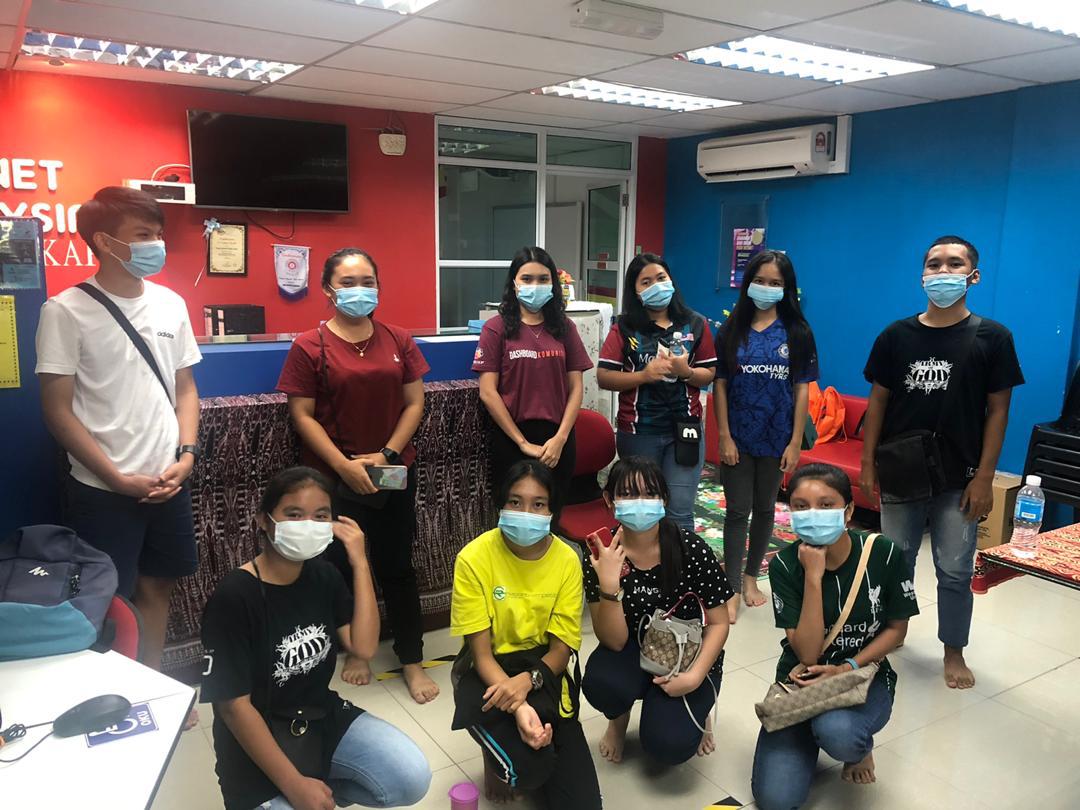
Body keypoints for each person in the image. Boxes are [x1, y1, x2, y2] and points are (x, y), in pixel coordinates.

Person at [36, 185, 201, 716]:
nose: (156, 245)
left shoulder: (171, 303)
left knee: (159, 587)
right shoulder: (65, 311)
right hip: (103, 490)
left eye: (158, 234)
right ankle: (110, 698)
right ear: (105, 242)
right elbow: (58, 410)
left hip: (169, 480)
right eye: (143, 235)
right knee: (108, 599)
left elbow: (185, 389)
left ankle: (150, 688)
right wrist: (115, 477)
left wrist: (186, 457)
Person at [200, 466, 431, 810]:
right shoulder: (234, 596)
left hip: (318, 716)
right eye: (294, 514)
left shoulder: (324, 576)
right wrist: (293, 785)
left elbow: (363, 646)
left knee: (411, 777)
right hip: (254, 742)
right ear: (264, 520)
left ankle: (319, 788)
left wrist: (360, 563)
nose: (308, 525)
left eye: (320, 516)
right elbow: (233, 708)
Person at [859, 235, 1024, 690]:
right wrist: (868, 463)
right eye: (934, 264)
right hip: (900, 470)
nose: (943, 272)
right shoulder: (894, 336)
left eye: (954, 264)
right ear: (922, 275)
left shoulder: (994, 338)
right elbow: (878, 402)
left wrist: (985, 478)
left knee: (954, 568)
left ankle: (953, 649)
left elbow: (998, 412)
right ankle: (892, 630)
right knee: (895, 561)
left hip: (961, 477)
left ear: (974, 276)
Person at [277, 248, 438, 704]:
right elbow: (302, 415)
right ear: (328, 289)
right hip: (333, 478)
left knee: (398, 567)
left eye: (368, 281)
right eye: (348, 282)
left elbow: (415, 403)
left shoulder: (399, 339)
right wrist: (344, 466)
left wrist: (387, 455)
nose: (359, 290)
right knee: (341, 568)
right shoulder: (308, 345)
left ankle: (411, 659)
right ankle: (357, 652)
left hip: (392, 472)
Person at [751, 463, 919, 810]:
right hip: (801, 683)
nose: (813, 514)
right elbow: (808, 655)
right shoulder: (784, 565)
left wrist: (847, 667)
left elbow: (896, 629)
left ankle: (858, 750)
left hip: (862, 678)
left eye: (826, 504)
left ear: (849, 510)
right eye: (801, 506)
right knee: (775, 800)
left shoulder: (882, 552)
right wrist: (813, 578)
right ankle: (810, 734)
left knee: (839, 732)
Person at [450, 459, 601, 808]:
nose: (525, 513)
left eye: (538, 504)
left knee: (583, 804)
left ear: (552, 511)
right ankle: (495, 757)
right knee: (528, 771)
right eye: (515, 502)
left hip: (544, 668)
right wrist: (519, 705)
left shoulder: (567, 559)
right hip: (490, 669)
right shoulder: (473, 558)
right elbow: (481, 655)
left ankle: (529, 749)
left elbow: (561, 651)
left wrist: (529, 681)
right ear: (501, 504)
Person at [582, 456, 732, 766]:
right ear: (609, 500)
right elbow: (614, 642)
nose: (639, 503)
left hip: (686, 653)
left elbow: (719, 623)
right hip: (633, 648)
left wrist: (693, 677)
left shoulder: (691, 548)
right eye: (627, 494)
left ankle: (699, 711)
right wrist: (609, 586)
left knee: (667, 745)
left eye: (649, 494)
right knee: (602, 684)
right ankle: (618, 720)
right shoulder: (602, 555)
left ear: (664, 499)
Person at [714, 251, 818, 623]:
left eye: (776, 283)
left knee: (764, 509)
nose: (767, 288)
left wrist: (794, 441)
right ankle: (729, 588)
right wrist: (724, 435)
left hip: (777, 438)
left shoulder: (798, 332)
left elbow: (802, 390)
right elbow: (720, 385)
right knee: (736, 511)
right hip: (738, 437)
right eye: (760, 281)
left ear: (787, 289)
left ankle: (750, 578)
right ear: (748, 284)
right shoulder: (731, 331)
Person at [597, 253, 718, 530]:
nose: (656, 285)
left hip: (685, 430)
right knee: (641, 512)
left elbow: (709, 373)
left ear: (671, 281)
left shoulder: (695, 323)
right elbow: (604, 377)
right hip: (639, 431)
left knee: (679, 512)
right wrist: (644, 375)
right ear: (635, 291)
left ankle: (678, 559)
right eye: (646, 282)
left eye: (661, 278)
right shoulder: (624, 327)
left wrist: (686, 372)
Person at [473, 247, 593, 502]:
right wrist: (522, 443)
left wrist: (561, 438)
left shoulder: (565, 328)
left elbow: (576, 388)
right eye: (527, 279)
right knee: (513, 514)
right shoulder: (496, 329)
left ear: (553, 284)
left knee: (551, 510)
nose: (535, 285)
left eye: (543, 279)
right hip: (511, 437)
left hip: (557, 439)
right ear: (514, 283)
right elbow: (488, 392)